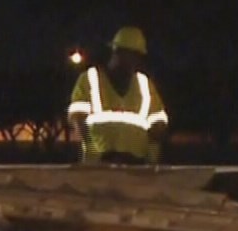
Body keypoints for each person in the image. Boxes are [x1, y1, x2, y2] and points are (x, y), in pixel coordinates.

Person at [67, 26, 169, 165]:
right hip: (99, 165)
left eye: (137, 56)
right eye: (129, 54)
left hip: (135, 166)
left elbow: (158, 125)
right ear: (116, 52)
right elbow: (78, 119)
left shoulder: (144, 83)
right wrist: (92, 151)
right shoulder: (90, 79)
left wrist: (151, 155)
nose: (133, 61)